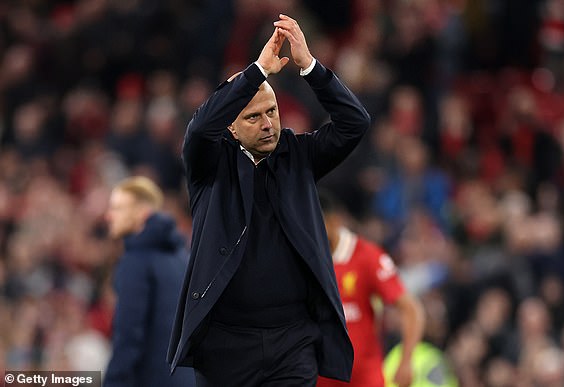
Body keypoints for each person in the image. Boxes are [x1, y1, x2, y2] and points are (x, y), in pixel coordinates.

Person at [168, 14, 371, 387]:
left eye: (272, 112)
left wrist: (309, 67)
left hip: (292, 343)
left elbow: (354, 123)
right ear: (231, 125)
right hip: (225, 347)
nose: (268, 124)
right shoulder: (210, 165)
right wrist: (257, 70)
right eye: (254, 117)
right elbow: (198, 129)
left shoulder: (299, 154)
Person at [317, 190, 425, 387]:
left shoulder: (367, 256)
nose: (311, 230)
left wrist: (406, 360)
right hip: (320, 378)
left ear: (334, 221)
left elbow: (411, 309)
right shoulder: (306, 257)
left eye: (316, 223)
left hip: (364, 379)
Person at [104, 176, 195, 387]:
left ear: (141, 213)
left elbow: (128, 336)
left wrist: (113, 381)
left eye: (118, 208)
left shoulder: (136, 262)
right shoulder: (183, 257)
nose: (109, 216)